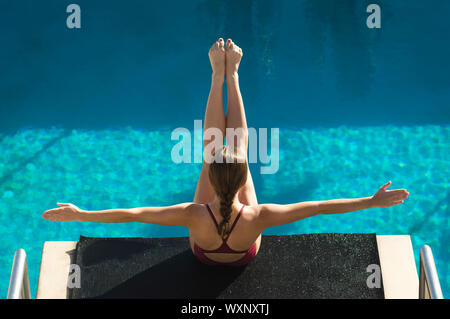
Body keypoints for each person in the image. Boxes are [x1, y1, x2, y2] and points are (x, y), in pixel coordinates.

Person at [42, 38, 409, 266]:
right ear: (237, 180)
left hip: (203, 251)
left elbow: (133, 215)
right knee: (233, 151)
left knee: (219, 152)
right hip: (243, 251)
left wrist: (80, 214)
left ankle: (220, 77)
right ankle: (230, 77)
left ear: (216, 183)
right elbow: (320, 208)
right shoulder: (258, 215)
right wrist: (371, 202)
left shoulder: (192, 214)